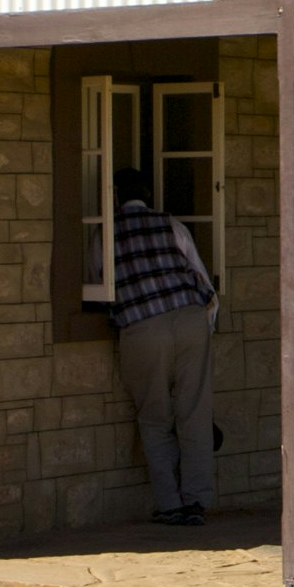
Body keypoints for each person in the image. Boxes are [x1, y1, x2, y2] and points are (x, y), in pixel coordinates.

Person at [109, 185, 220, 525]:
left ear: (114, 197)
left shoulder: (104, 231)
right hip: (190, 317)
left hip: (143, 325)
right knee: (194, 411)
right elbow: (199, 273)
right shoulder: (170, 224)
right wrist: (208, 323)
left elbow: (101, 282)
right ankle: (197, 500)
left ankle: (170, 504)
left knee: (154, 415)